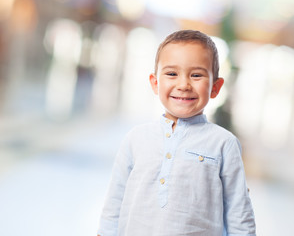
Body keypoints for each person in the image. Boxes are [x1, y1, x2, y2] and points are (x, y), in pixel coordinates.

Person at [97, 30, 256, 236]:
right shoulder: (136, 139)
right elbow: (114, 202)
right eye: (172, 74)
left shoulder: (224, 143)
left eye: (196, 75)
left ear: (215, 87)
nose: (183, 85)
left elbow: (239, 211)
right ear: (155, 83)